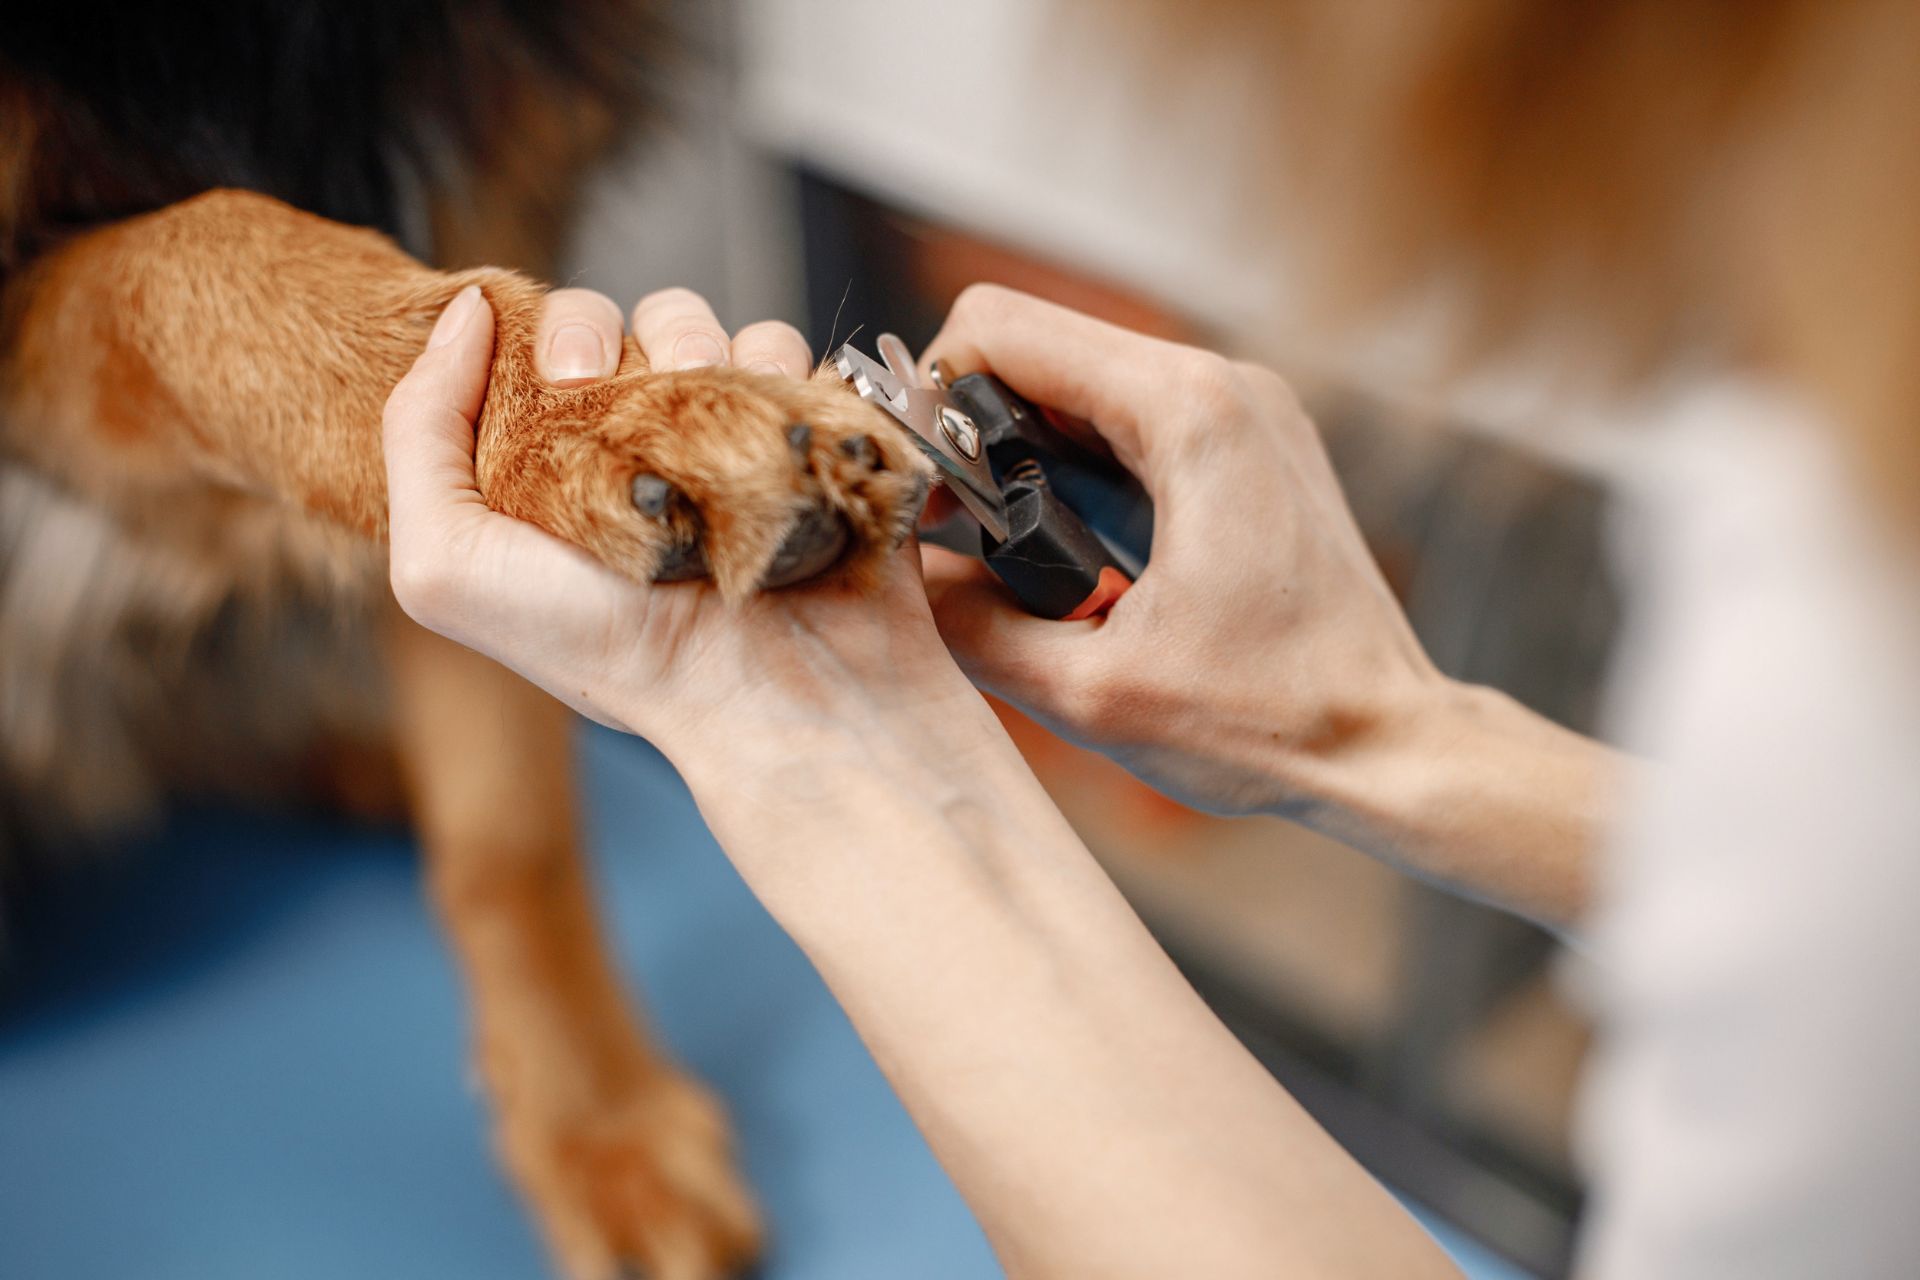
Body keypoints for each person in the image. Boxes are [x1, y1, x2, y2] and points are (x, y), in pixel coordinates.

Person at [381, 5, 1920, 1274]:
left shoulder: (1835, 643)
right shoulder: (1820, 533)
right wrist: (1375, 729)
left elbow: (1846, 870)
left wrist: (811, 752)